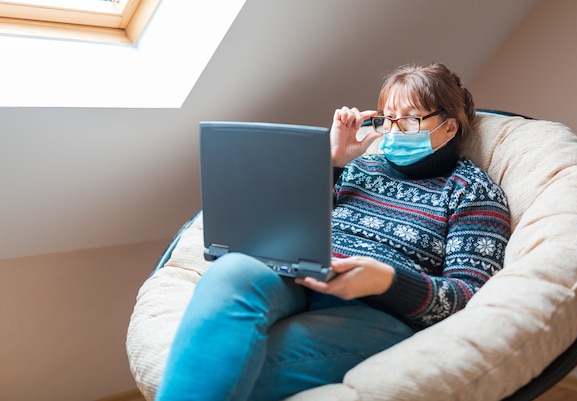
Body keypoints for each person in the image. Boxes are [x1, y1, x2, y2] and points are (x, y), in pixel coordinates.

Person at [155, 63, 511, 401]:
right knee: (231, 270)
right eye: (387, 120)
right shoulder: (363, 165)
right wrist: (334, 162)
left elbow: (468, 296)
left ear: (449, 127)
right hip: (299, 279)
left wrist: (386, 281)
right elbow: (287, 223)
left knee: (226, 368)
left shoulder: (472, 192)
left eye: (410, 121)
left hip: (377, 313)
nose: (394, 131)